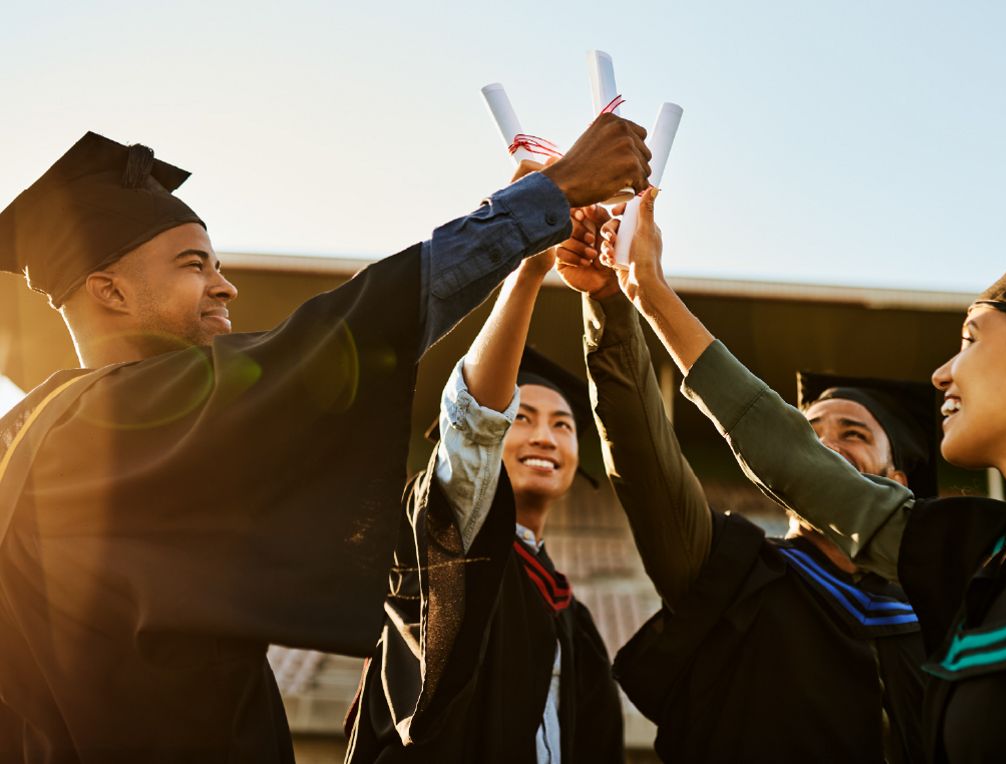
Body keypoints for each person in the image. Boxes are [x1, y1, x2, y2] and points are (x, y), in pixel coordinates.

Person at [0, 121, 650, 761]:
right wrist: (547, 197)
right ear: (108, 291)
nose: (225, 285)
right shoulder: (116, 418)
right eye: (194, 264)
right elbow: (354, 328)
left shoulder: (33, 442)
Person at [591, 188, 1006, 761]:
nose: (941, 374)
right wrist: (646, 292)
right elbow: (791, 457)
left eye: (970, 340)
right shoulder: (984, 553)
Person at [553, 198, 933, 762]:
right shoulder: (732, 572)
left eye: (852, 433)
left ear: (896, 479)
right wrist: (609, 300)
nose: (824, 445)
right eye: (808, 434)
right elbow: (642, 455)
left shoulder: (935, 618)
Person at [345, 226, 623, 762]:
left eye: (564, 425)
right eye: (523, 418)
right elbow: (471, 432)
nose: (546, 436)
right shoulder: (454, 556)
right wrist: (528, 274)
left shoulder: (572, 616)